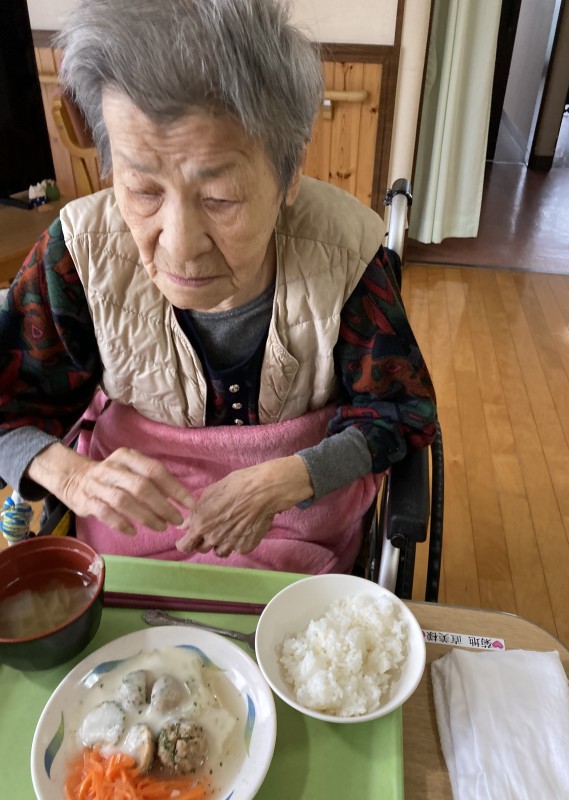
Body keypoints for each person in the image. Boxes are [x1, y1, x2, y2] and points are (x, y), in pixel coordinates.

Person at [0, 0, 436, 574]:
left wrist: (289, 478)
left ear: (289, 174)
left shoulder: (346, 256)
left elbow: (400, 410)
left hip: (300, 544)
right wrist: (73, 477)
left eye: (220, 198)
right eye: (143, 190)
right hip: (127, 551)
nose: (180, 246)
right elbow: (10, 403)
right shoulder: (77, 256)